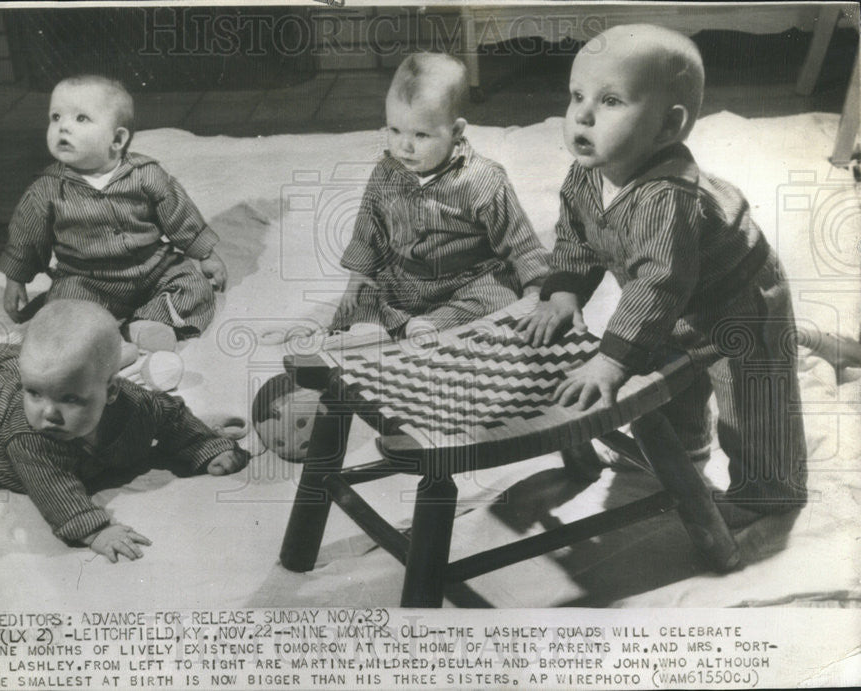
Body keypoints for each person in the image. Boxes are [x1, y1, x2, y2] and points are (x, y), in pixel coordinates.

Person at [520, 24, 808, 517]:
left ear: (667, 127)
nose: (582, 115)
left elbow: (659, 281)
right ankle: (686, 450)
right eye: (577, 96)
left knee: (751, 400)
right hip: (671, 308)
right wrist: (565, 290)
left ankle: (770, 489)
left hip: (739, 302)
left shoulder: (668, 197)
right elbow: (575, 237)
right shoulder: (587, 173)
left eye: (611, 101)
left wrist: (613, 359)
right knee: (671, 384)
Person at [0, 300, 248, 562]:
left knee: (35, 370)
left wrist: (206, 446)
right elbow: (56, 491)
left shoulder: (135, 405)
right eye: (36, 394)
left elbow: (171, 415)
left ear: (112, 391)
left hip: (24, 377)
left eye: (71, 399)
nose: (49, 414)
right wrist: (96, 530)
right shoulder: (30, 437)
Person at [0, 74, 227, 353]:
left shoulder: (146, 175)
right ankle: (100, 338)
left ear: (117, 139)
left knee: (194, 286)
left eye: (81, 118)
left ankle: (146, 325)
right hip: (86, 279)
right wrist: (15, 278)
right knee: (64, 310)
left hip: (152, 269)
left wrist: (205, 254)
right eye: (56, 117)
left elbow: (180, 215)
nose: (63, 128)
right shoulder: (46, 190)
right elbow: (26, 239)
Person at [330, 52, 548, 342]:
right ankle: (367, 329)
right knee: (367, 293)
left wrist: (534, 286)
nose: (404, 146)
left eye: (421, 135)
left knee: (500, 297)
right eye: (394, 130)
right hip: (407, 277)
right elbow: (368, 229)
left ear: (455, 131)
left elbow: (519, 242)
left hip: (467, 278)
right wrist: (358, 275)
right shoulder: (386, 173)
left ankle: (428, 325)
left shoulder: (482, 179)